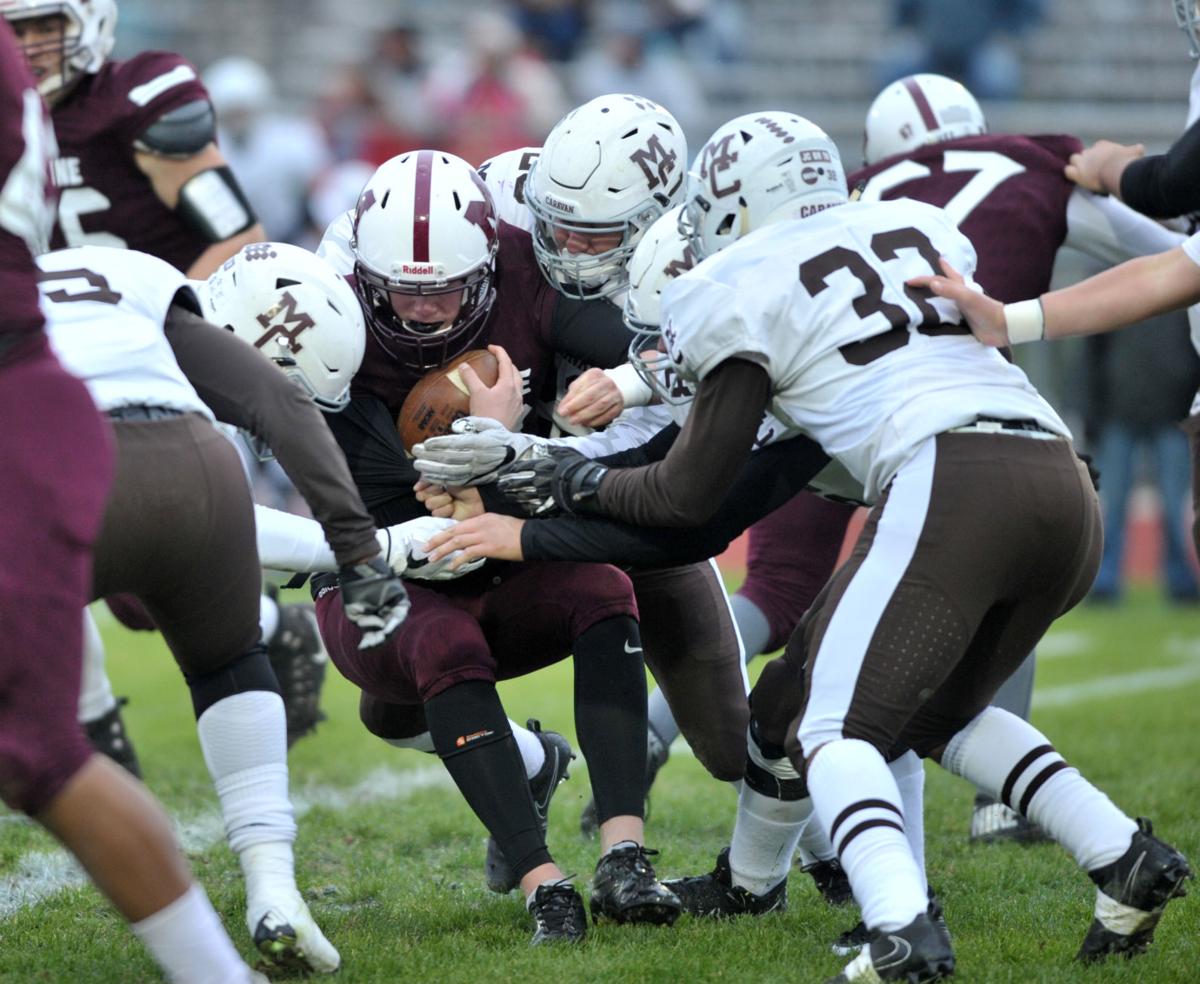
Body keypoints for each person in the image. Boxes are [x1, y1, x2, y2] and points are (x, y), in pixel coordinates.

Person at [434, 111, 1194, 980]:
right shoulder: (904, 223)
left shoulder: (739, 284)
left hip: (950, 478)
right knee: (919, 712)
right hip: (1058, 474)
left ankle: (900, 925)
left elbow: (686, 499)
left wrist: (555, 492)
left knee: (835, 729)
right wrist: (572, 445)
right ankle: (1124, 857)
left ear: (732, 206)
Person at [315, 149, 681, 942]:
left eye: (445, 287)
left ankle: (625, 852)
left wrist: (614, 387)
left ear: (488, 261)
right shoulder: (328, 305)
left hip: (500, 538)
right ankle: (542, 882)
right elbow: (371, 486)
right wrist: (489, 438)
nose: (423, 309)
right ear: (365, 275)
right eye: (403, 290)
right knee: (438, 646)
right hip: (379, 569)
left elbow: (647, 346)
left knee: (605, 588)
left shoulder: (521, 267)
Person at [39, 240, 412, 974]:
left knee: (50, 718)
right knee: (232, 665)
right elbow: (280, 400)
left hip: (59, 473)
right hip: (194, 471)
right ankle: (274, 893)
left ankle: (104, 761)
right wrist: (359, 550)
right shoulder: (147, 280)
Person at [0, 19, 265, 984]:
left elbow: (236, 236)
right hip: (50, 383)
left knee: (151, 611)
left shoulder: (144, 97)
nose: (27, 42)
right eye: (14, 22)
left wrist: (145, 320)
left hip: (140, 373)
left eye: (44, 22)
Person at [480, 94, 757, 838]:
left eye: (591, 233)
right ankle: (534, 763)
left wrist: (531, 455)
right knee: (393, 695)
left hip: (624, 491)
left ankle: (823, 850)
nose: (565, 245)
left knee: (733, 740)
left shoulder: (696, 261)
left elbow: (651, 442)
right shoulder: (491, 199)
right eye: (555, 222)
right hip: (504, 489)